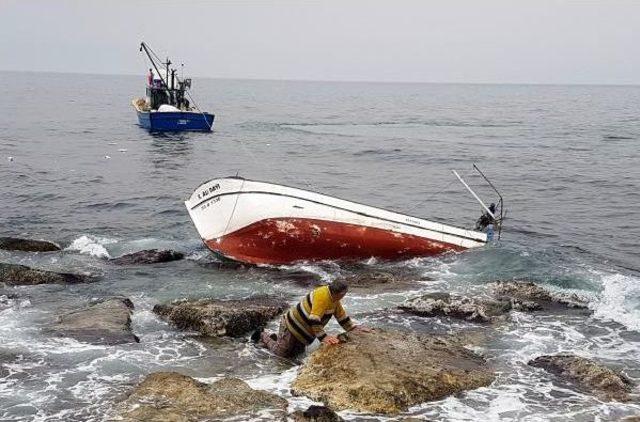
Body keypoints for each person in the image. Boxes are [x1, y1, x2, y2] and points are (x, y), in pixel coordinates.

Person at [254, 280, 370, 358]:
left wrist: (353, 328)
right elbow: (314, 319)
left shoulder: (334, 299)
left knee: (294, 357)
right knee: (281, 354)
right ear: (338, 293)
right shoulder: (323, 297)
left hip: (303, 331)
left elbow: (341, 316)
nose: (345, 295)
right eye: (344, 293)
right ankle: (262, 335)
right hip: (291, 324)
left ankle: (275, 339)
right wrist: (324, 337)